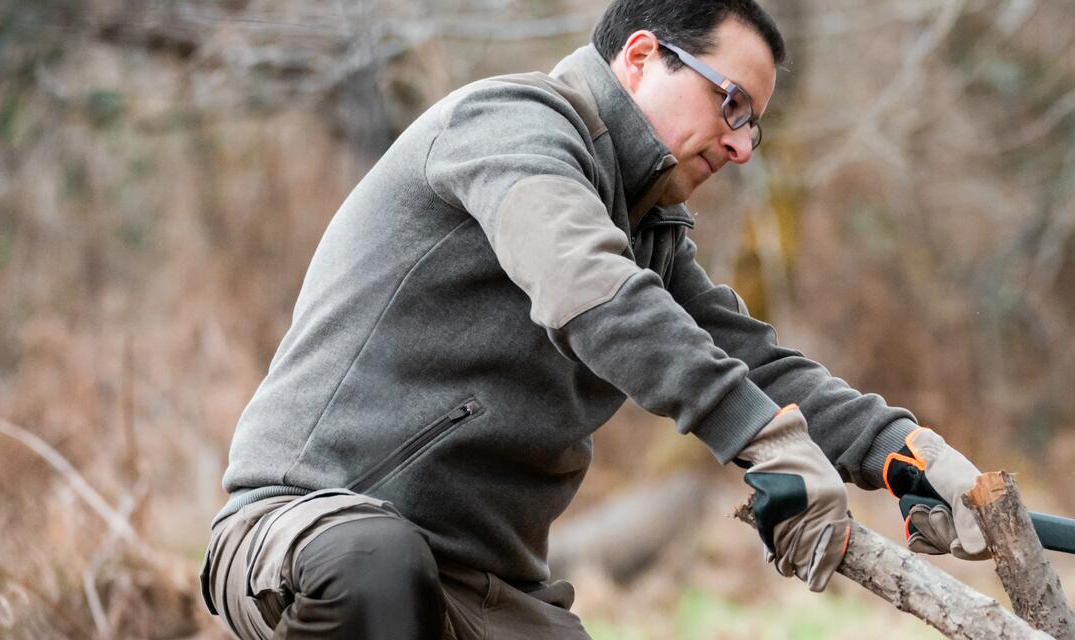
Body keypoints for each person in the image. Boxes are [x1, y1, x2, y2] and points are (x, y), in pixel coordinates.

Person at [200, 1, 991, 637]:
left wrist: (907, 453)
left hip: (486, 587)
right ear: (643, 56)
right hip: (302, 529)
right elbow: (586, 283)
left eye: (755, 123)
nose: (743, 145)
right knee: (375, 564)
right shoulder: (508, 126)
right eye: (732, 103)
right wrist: (760, 441)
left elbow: (759, 365)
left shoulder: (649, 236)